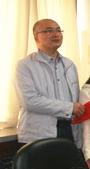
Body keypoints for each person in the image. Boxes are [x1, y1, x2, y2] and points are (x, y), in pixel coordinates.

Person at [15, 19, 84, 148]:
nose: (56, 34)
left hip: (68, 131)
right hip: (38, 134)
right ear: (36, 37)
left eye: (58, 30)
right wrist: (69, 108)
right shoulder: (25, 65)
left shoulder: (69, 65)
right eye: (49, 31)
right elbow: (30, 101)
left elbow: (76, 99)